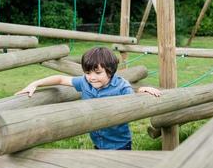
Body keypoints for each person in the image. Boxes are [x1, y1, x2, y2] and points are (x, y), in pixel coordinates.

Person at [16, 47, 161, 150]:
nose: (92, 77)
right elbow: (60, 79)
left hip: (119, 144)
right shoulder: (85, 82)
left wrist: (141, 90)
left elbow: (133, 102)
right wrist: (35, 83)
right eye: (87, 72)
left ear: (110, 71)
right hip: (98, 140)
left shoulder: (121, 86)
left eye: (97, 73)